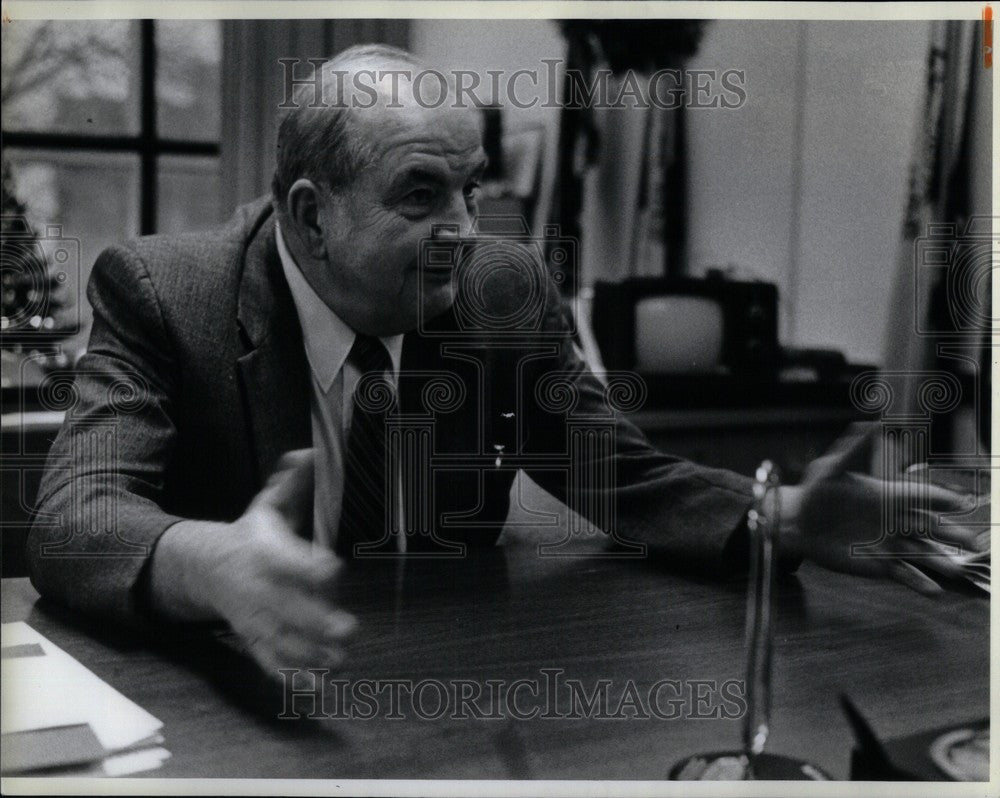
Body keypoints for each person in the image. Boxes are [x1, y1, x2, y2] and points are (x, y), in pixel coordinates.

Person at [27, 44, 979, 677]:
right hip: (245, 702)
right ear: (312, 216)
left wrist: (789, 519)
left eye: (470, 190)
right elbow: (76, 515)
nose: (463, 231)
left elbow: (630, 482)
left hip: (461, 692)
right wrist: (212, 561)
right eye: (420, 196)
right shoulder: (163, 292)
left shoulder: (503, 291)